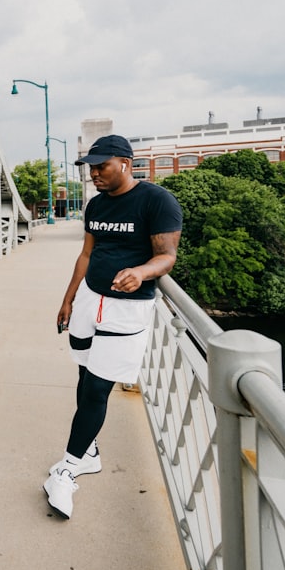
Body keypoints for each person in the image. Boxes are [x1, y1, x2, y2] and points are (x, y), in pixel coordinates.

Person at [43, 135, 182, 519]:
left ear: (124, 162)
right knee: (85, 376)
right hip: (89, 299)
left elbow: (166, 256)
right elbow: (87, 253)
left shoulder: (157, 201)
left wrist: (141, 272)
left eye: (101, 166)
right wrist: (68, 298)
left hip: (127, 309)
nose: (94, 173)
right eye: (90, 167)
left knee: (99, 388)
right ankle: (88, 452)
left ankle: (69, 468)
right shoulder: (96, 204)